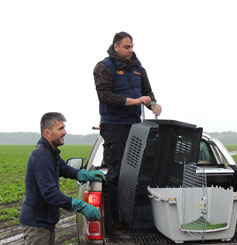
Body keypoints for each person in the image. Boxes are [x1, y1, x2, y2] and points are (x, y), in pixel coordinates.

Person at [93, 31, 162, 227]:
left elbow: (148, 93)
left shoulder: (139, 69)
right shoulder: (104, 67)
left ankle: (138, 214)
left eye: (132, 46)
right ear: (116, 47)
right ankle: (115, 219)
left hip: (136, 127)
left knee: (139, 172)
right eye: (126, 47)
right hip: (115, 127)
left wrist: (153, 105)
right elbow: (105, 96)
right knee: (117, 172)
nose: (131, 50)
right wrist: (135, 101)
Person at [19, 112, 106, 245]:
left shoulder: (50, 153)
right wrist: (80, 205)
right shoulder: (41, 156)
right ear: (47, 133)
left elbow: (64, 169)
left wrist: (83, 175)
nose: (65, 132)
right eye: (60, 128)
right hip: (37, 225)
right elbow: (50, 193)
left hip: (44, 223)